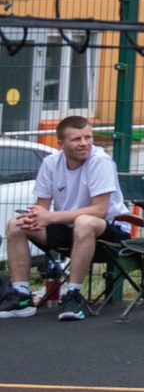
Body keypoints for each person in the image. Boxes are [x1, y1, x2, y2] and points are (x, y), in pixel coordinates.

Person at [2, 114, 123, 320]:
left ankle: (73, 295)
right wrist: (37, 217)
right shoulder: (50, 163)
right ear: (61, 144)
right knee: (17, 224)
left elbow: (100, 210)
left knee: (84, 222)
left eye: (88, 137)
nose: (84, 143)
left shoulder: (100, 161)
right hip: (67, 230)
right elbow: (42, 209)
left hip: (108, 233)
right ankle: (22, 297)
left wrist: (50, 217)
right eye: (76, 139)